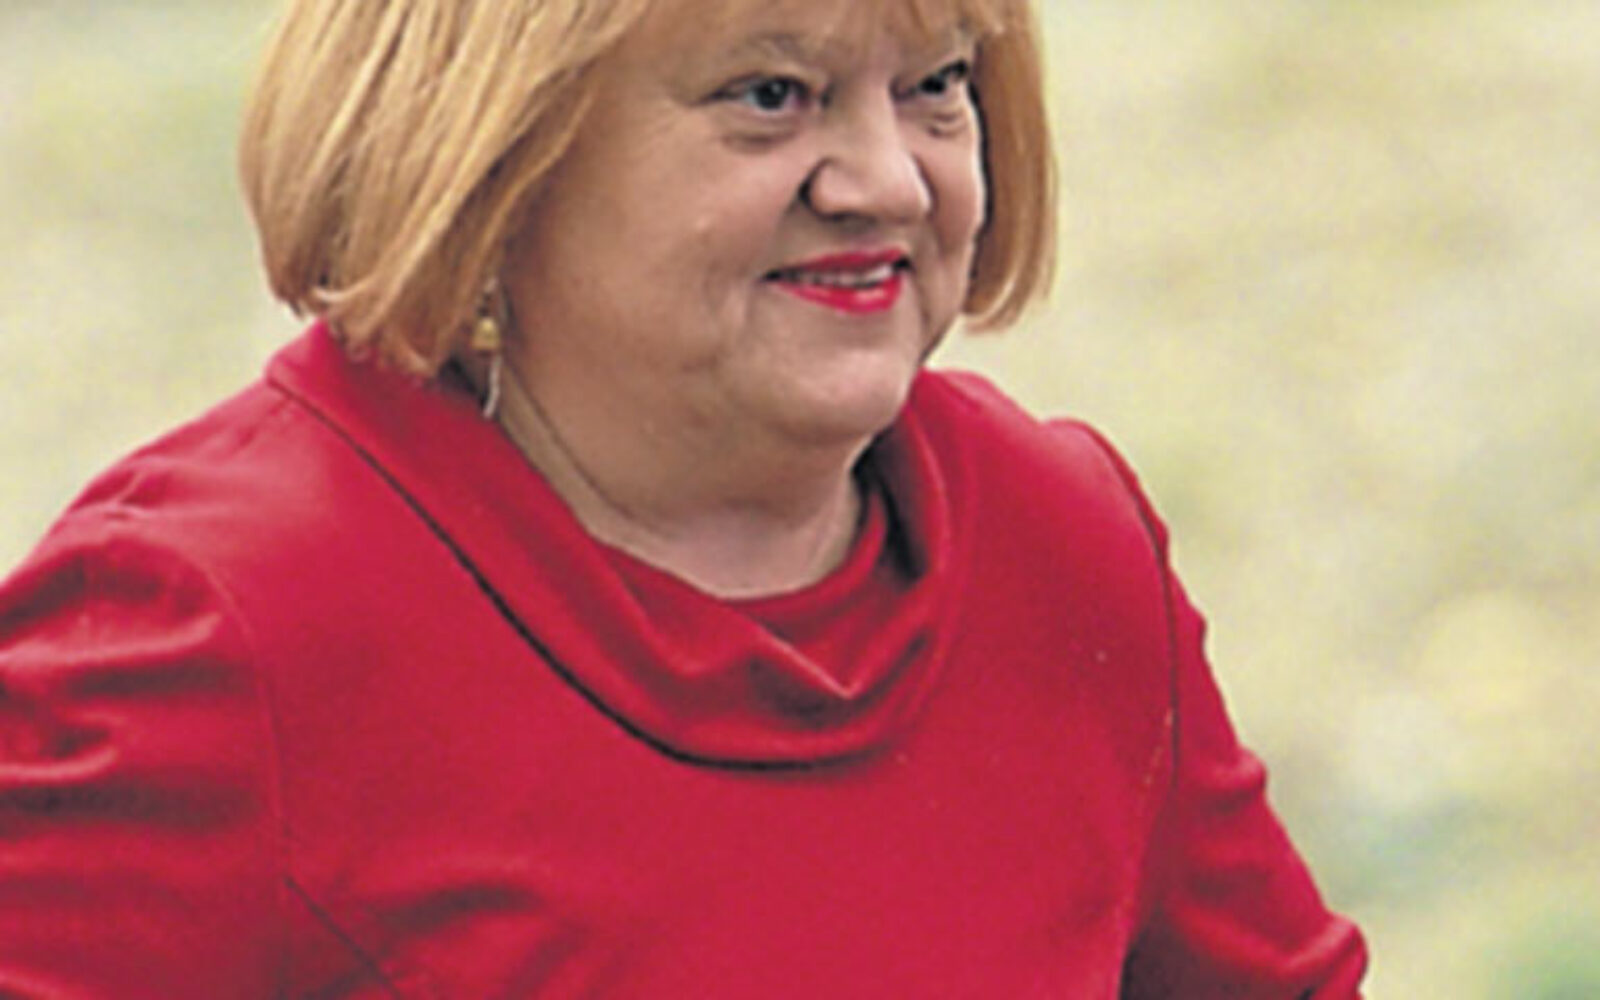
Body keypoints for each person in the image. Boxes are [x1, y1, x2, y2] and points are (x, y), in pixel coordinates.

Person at [0, 0, 1368, 995]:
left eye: (936, 84)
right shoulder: (211, 627)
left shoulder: (1055, 532)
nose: (887, 180)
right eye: (772, 94)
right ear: (490, 148)